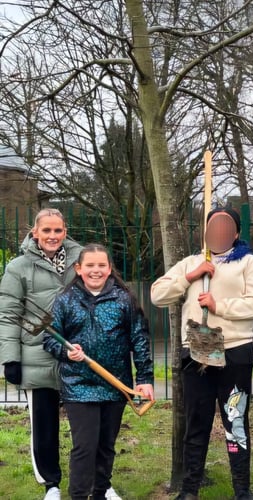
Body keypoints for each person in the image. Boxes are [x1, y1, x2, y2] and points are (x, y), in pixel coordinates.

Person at [151, 207, 253, 500]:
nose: (219, 233)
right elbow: (157, 295)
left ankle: (242, 489)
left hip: (234, 353)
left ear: (236, 233)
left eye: (226, 227)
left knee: (235, 420)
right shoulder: (191, 262)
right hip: (197, 352)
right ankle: (189, 489)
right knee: (197, 421)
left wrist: (220, 306)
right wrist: (191, 276)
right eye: (213, 226)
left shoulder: (248, 263)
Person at [0, 209, 115, 500]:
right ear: (35, 232)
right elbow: (8, 314)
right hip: (37, 355)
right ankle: (51, 484)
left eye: (58, 231)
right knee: (44, 425)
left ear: (65, 231)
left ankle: (99, 481)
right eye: (47, 231)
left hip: (80, 356)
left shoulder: (81, 259)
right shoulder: (18, 267)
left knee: (90, 428)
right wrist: (9, 358)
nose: (52, 236)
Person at [41, 244, 154, 500]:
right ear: (79, 269)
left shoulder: (125, 299)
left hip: (116, 384)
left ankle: (100, 493)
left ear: (110, 268)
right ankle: (79, 495)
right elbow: (49, 339)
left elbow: (139, 339)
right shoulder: (65, 300)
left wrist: (145, 378)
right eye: (90, 265)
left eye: (101, 265)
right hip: (78, 384)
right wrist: (66, 351)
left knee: (106, 446)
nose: (96, 270)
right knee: (85, 446)